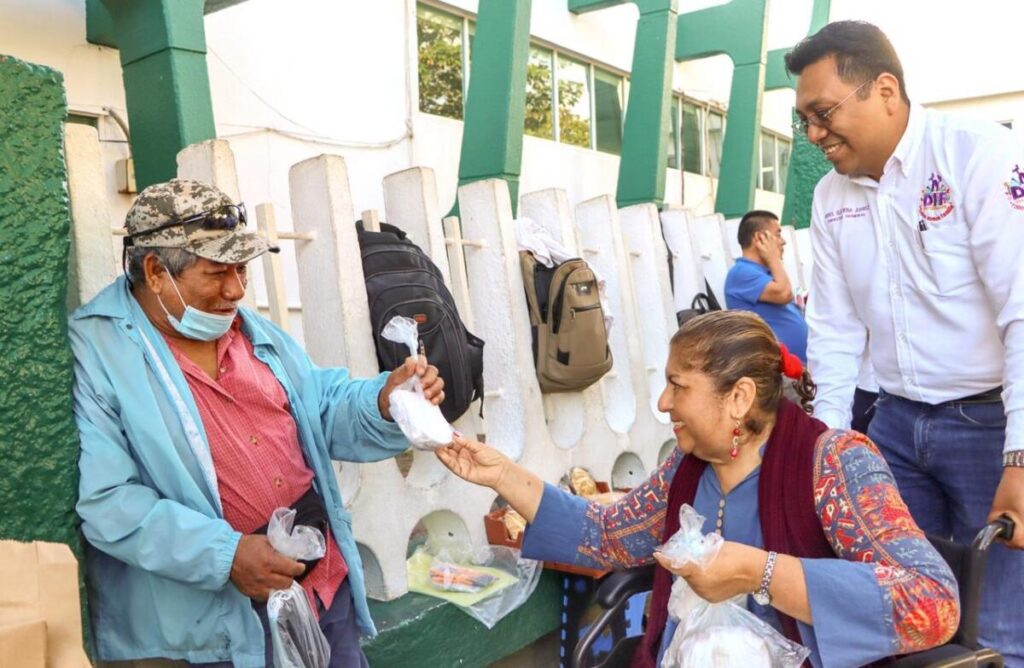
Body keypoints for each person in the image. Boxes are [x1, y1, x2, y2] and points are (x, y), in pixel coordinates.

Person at [436, 311, 958, 667]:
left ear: (739, 397)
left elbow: (931, 602)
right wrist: (502, 475)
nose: (663, 403)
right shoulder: (685, 471)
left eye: (678, 385)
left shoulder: (834, 464)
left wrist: (760, 571)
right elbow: (604, 534)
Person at [71, 179, 445, 667]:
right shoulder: (99, 349)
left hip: (320, 587)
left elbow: (321, 406)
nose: (237, 289)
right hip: (216, 629)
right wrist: (224, 556)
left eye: (242, 269)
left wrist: (382, 399)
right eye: (217, 272)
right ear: (155, 271)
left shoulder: (246, 328)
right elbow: (109, 502)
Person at [786, 20, 1024, 663]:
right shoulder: (831, 197)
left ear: (885, 89)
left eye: (824, 113)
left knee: (1000, 631)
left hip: (988, 427)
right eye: (802, 119)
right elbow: (834, 333)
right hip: (893, 427)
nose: (813, 134)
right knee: (895, 616)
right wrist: (825, 449)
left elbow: (1022, 314)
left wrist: (1021, 457)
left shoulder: (978, 156)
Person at [724, 210, 808, 362]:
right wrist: (774, 258)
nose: (783, 241)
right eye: (777, 234)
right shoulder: (741, 273)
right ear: (760, 238)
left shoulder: (763, 273)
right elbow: (784, 293)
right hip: (777, 371)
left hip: (796, 370)